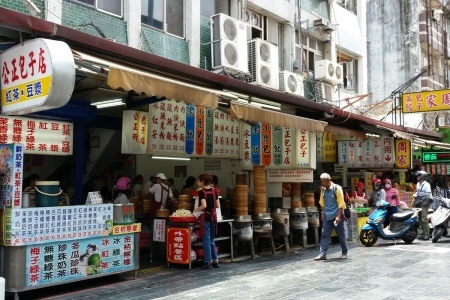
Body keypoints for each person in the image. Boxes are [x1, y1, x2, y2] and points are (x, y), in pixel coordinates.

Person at [314, 173, 348, 261]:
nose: (322, 183)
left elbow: (341, 204)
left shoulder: (337, 188)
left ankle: (344, 252)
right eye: (321, 181)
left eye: (323, 181)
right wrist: (322, 213)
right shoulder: (323, 190)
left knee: (341, 235)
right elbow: (322, 202)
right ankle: (323, 254)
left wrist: (339, 216)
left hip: (336, 215)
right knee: (324, 234)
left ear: (329, 180)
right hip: (327, 215)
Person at [193, 173, 221, 269]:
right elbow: (217, 205)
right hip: (214, 217)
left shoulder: (202, 192)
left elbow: (204, 205)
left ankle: (208, 262)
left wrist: (195, 210)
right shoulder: (214, 191)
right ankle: (216, 261)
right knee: (212, 240)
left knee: (206, 240)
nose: (197, 183)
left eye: (198, 181)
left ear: (202, 182)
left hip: (206, 218)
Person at [414, 171, 433, 240]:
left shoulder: (427, 185)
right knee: (419, 218)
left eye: (418, 176)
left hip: (425, 202)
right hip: (419, 202)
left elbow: (427, 194)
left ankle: (427, 234)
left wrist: (418, 194)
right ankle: (423, 233)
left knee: (424, 218)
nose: (417, 177)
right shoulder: (418, 184)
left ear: (422, 177)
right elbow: (417, 192)